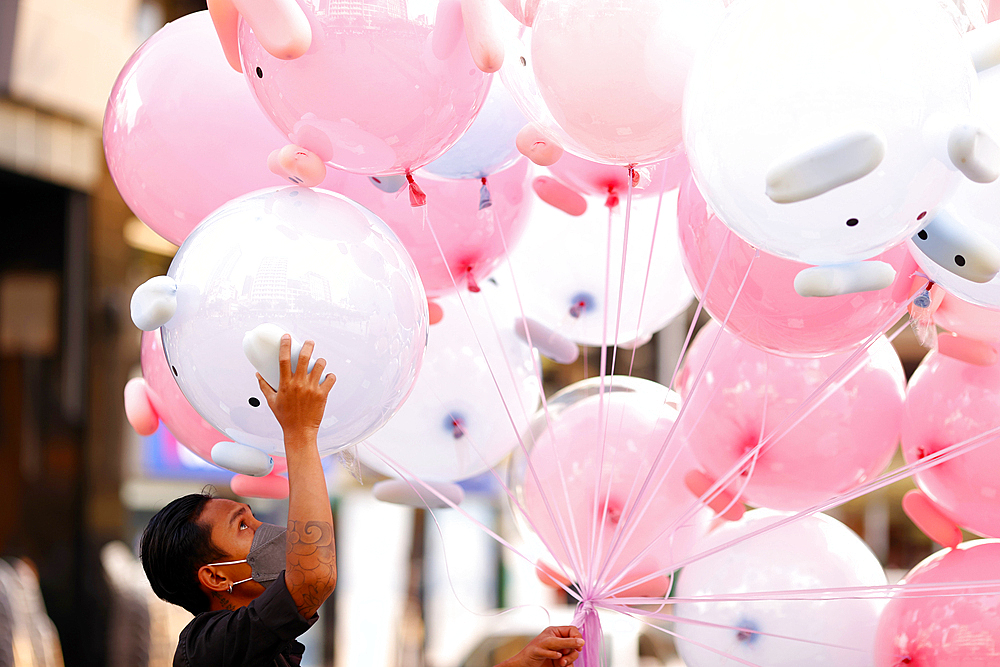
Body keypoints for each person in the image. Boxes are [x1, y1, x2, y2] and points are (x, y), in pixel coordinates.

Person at [140, 336, 584, 667]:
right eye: (243, 526)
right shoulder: (207, 647)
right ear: (216, 576)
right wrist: (300, 432)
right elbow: (311, 579)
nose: (266, 530)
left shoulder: (268, 648)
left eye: (252, 517)